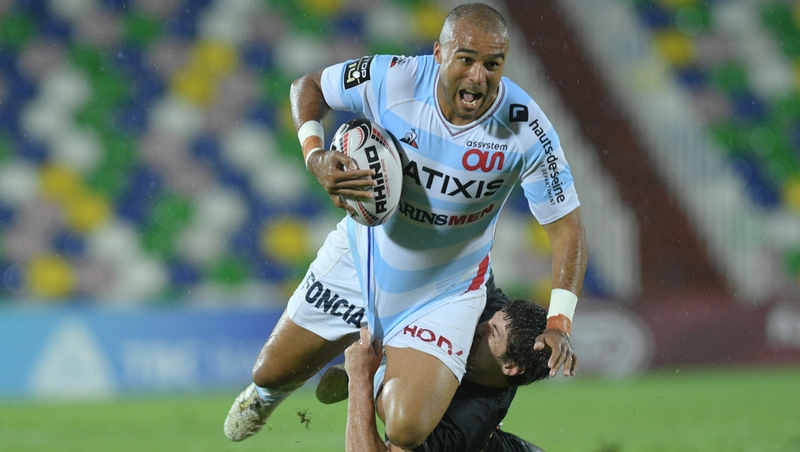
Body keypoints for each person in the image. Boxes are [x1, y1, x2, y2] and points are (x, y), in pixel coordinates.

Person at [224, 3, 587, 449]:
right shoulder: (393, 79)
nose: (478, 77)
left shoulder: (525, 128)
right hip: (362, 258)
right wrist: (315, 155)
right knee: (271, 373)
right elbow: (310, 86)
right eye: (466, 59)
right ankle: (269, 396)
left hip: (446, 290)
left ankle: (376, 370)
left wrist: (560, 321)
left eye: (493, 65)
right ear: (439, 53)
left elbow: (567, 229)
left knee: (406, 430)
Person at [320, 275, 552, 452]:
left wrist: (361, 381)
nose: (478, 328)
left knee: (405, 418)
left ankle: (381, 373)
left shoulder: (464, 422)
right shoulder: (489, 307)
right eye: (491, 320)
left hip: (461, 443)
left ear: (511, 366)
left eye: (492, 334)